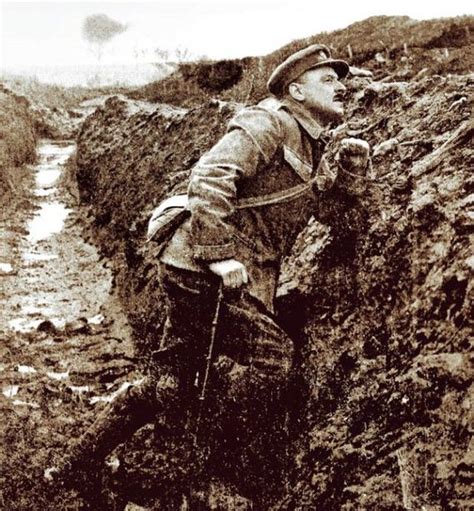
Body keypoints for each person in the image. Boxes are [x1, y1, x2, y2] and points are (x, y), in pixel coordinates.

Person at [45, 43, 370, 508]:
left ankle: (75, 465)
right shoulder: (268, 122)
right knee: (274, 361)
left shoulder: (310, 139)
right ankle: (211, 464)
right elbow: (211, 175)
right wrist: (219, 256)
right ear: (296, 89)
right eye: (327, 79)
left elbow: (318, 212)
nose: (341, 87)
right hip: (205, 271)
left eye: (340, 80)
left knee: (172, 382)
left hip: (195, 268)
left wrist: (352, 179)